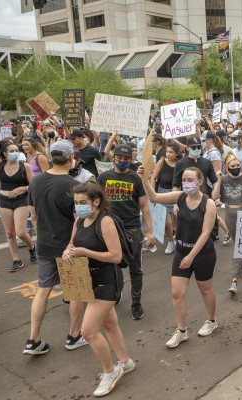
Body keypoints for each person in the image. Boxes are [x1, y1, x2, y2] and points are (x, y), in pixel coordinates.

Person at [64, 182, 135, 396]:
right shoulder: (80, 219)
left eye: (83, 203)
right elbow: (71, 244)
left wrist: (86, 251)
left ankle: (110, 371)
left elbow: (116, 256)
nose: (79, 207)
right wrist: (68, 252)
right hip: (86, 278)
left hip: (107, 280)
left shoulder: (105, 221)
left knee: (88, 331)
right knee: (109, 324)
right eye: (76, 203)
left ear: (96, 202)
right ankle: (125, 362)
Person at [139, 165, 220, 346]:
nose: (186, 183)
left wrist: (191, 256)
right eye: (183, 180)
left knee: (205, 290)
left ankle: (211, 321)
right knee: (177, 293)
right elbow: (154, 197)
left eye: (190, 180)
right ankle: (181, 330)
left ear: (200, 182)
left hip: (202, 254)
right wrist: (144, 179)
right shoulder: (180, 197)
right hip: (182, 251)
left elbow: (206, 233)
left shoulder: (208, 203)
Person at [24, 140, 87, 355]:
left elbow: (32, 215)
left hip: (45, 244)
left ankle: (33, 340)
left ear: (51, 157)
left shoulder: (36, 182)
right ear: (71, 159)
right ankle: (74, 335)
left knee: (43, 290)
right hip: (69, 247)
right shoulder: (73, 186)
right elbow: (78, 220)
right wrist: (71, 244)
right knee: (76, 291)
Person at [97, 144, 156, 320]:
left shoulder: (135, 179)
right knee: (111, 266)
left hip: (132, 229)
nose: (122, 161)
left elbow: (144, 206)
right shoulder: (103, 178)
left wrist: (150, 232)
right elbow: (98, 204)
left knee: (135, 268)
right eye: (119, 158)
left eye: (126, 159)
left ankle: (136, 302)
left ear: (131, 160)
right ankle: (115, 292)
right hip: (109, 229)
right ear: (113, 158)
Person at [0, 142, 35, 272]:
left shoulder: (24, 166)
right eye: (12, 151)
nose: (15, 153)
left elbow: (33, 185)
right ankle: (16, 260)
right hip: (4, 201)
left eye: (16, 150)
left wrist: (22, 188)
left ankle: (31, 247)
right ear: (4, 153)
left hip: (21, 201)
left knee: (20, 232)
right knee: (10, 233)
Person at [215, 154, 242, 292]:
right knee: (239, 244)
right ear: (227, 167)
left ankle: (234, 281)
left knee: (240, 244)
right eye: (233, 166)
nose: (236, 168)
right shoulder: (224, 179)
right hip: (229, 214)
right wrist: (219, 180)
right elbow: (215, 197)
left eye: (238, 165)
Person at [150, 142, 182, 255]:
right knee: (167, 223)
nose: (168, 154)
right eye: (167, 152)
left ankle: (179, 240)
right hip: (163, 194)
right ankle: (170, 242)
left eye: (171, 152)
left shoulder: (181, 164)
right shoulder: (162, 162)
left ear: (177, 154)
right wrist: (153, 194)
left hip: (178, 194)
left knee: (178, 220)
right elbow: (153, 178)